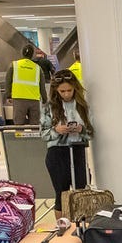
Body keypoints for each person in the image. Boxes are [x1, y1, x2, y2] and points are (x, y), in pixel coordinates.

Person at [40, 69, 93, 219]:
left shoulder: (82, 106)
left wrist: (81, 129)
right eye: (62, 91)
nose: (66, 94)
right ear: (56, 90)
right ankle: (62, 230)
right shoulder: (49, 107)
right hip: (57, 153)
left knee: (81, 192)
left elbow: (91, 132)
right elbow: (43, 134)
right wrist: (56, 130)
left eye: (69, 90)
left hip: (78, 150)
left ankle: (81, 228)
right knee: (61, 194)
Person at [5, 43, 46, 126]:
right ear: (32, 54)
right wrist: (45, 99)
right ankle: (34, 139)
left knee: (19, 125)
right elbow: (42, 85)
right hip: (34, 100)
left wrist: (8, 95)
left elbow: (8, 81)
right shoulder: (38, 68)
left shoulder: (14, 65)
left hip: (19, 99)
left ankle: (20, 139)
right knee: (35, 125)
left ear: (22, 53)